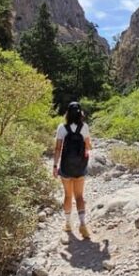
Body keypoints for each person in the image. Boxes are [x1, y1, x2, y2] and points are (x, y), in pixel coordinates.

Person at [53, 101, 92, 238]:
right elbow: (88, 146)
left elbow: (58, 148)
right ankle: (82, 225)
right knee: (80, 196)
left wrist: (55, 166)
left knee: (68, 195)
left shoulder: (61, 128)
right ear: (80, 113)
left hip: (66, 168)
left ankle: (68, 224)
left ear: (67, 114)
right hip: (80, 167)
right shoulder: (84, 127)